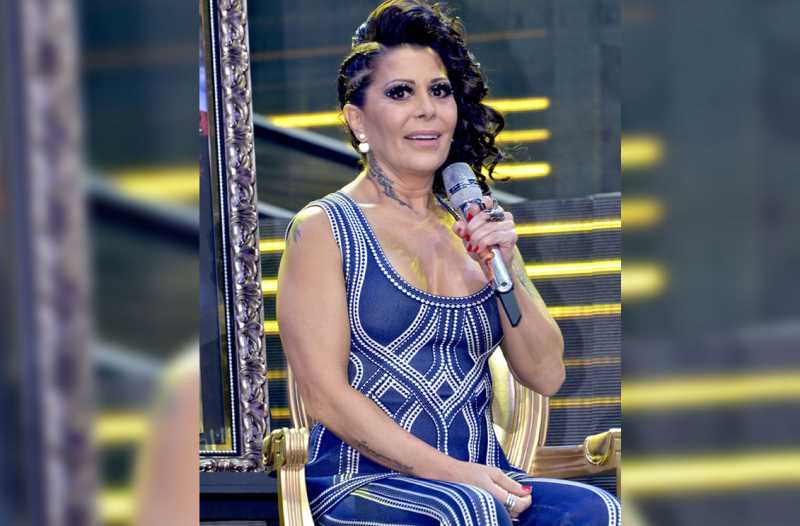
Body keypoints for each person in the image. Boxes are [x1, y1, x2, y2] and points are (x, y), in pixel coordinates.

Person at [277, 1, 621, 524]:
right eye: (401, 93)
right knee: (467, 509)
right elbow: (325, 397)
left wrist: (504, 266)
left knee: (598, 510)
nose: (428, 110)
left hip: (483, 479)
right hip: (361, 483)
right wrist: (456, 475)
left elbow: (548, 375)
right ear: (357, 118)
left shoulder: (475, 224)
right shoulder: (322, 229)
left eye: (439, 91)